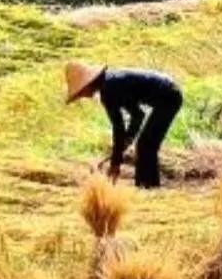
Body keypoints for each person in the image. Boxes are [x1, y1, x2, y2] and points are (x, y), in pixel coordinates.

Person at [65, 61, 183, 189]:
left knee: (146, 145)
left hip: (169, 95)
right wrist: (128, 140)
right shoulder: (111, 83)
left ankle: (149, 189)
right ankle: (146, 188)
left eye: (81, 92)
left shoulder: (109, 90)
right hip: (170, 92)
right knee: (145, 145)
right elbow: (138, 115)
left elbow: (118, 127)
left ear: (88, 84)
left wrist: (115, 163)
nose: (82, 95)